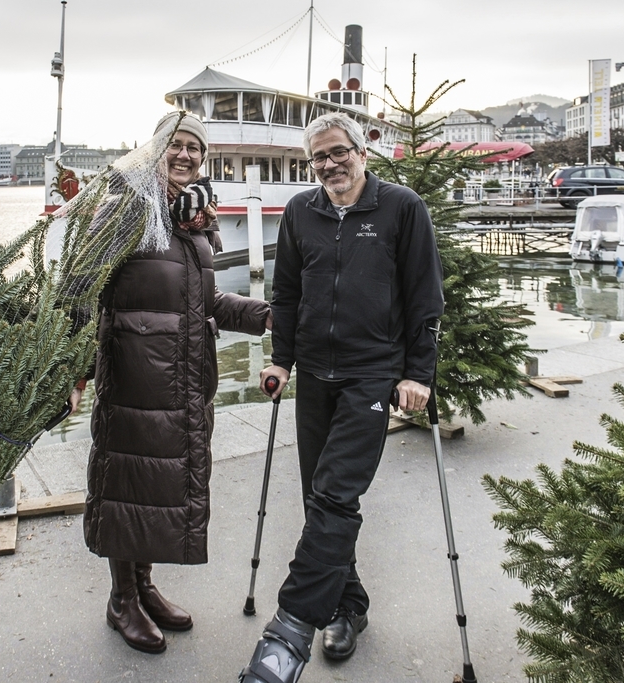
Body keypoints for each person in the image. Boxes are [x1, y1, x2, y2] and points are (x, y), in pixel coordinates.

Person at [239, 112, 443, 683]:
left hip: (372, 376)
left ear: (362, 150)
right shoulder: (301, 212)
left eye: (338, 152)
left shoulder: (402, 208)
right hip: (316, 377)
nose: (329, 164)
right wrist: (281, 358)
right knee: (319, 499)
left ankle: (291, 631)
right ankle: (348, 605)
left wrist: (417, 375)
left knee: (334, 494)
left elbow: (424, 298)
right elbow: (287, 291)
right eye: (318, 157)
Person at [76, 112, 271, 654]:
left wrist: (261, 315)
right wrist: (74, 373)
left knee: (158, 490)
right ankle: (121, 601)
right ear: (155, 148)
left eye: (195, 150)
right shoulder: (125, 209)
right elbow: (79, 291)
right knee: (128, 486)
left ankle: (142, 587)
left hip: (183, 380)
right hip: (135, 378)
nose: (186, 156)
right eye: (176, 146)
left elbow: (199, 303)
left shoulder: (191, 218)